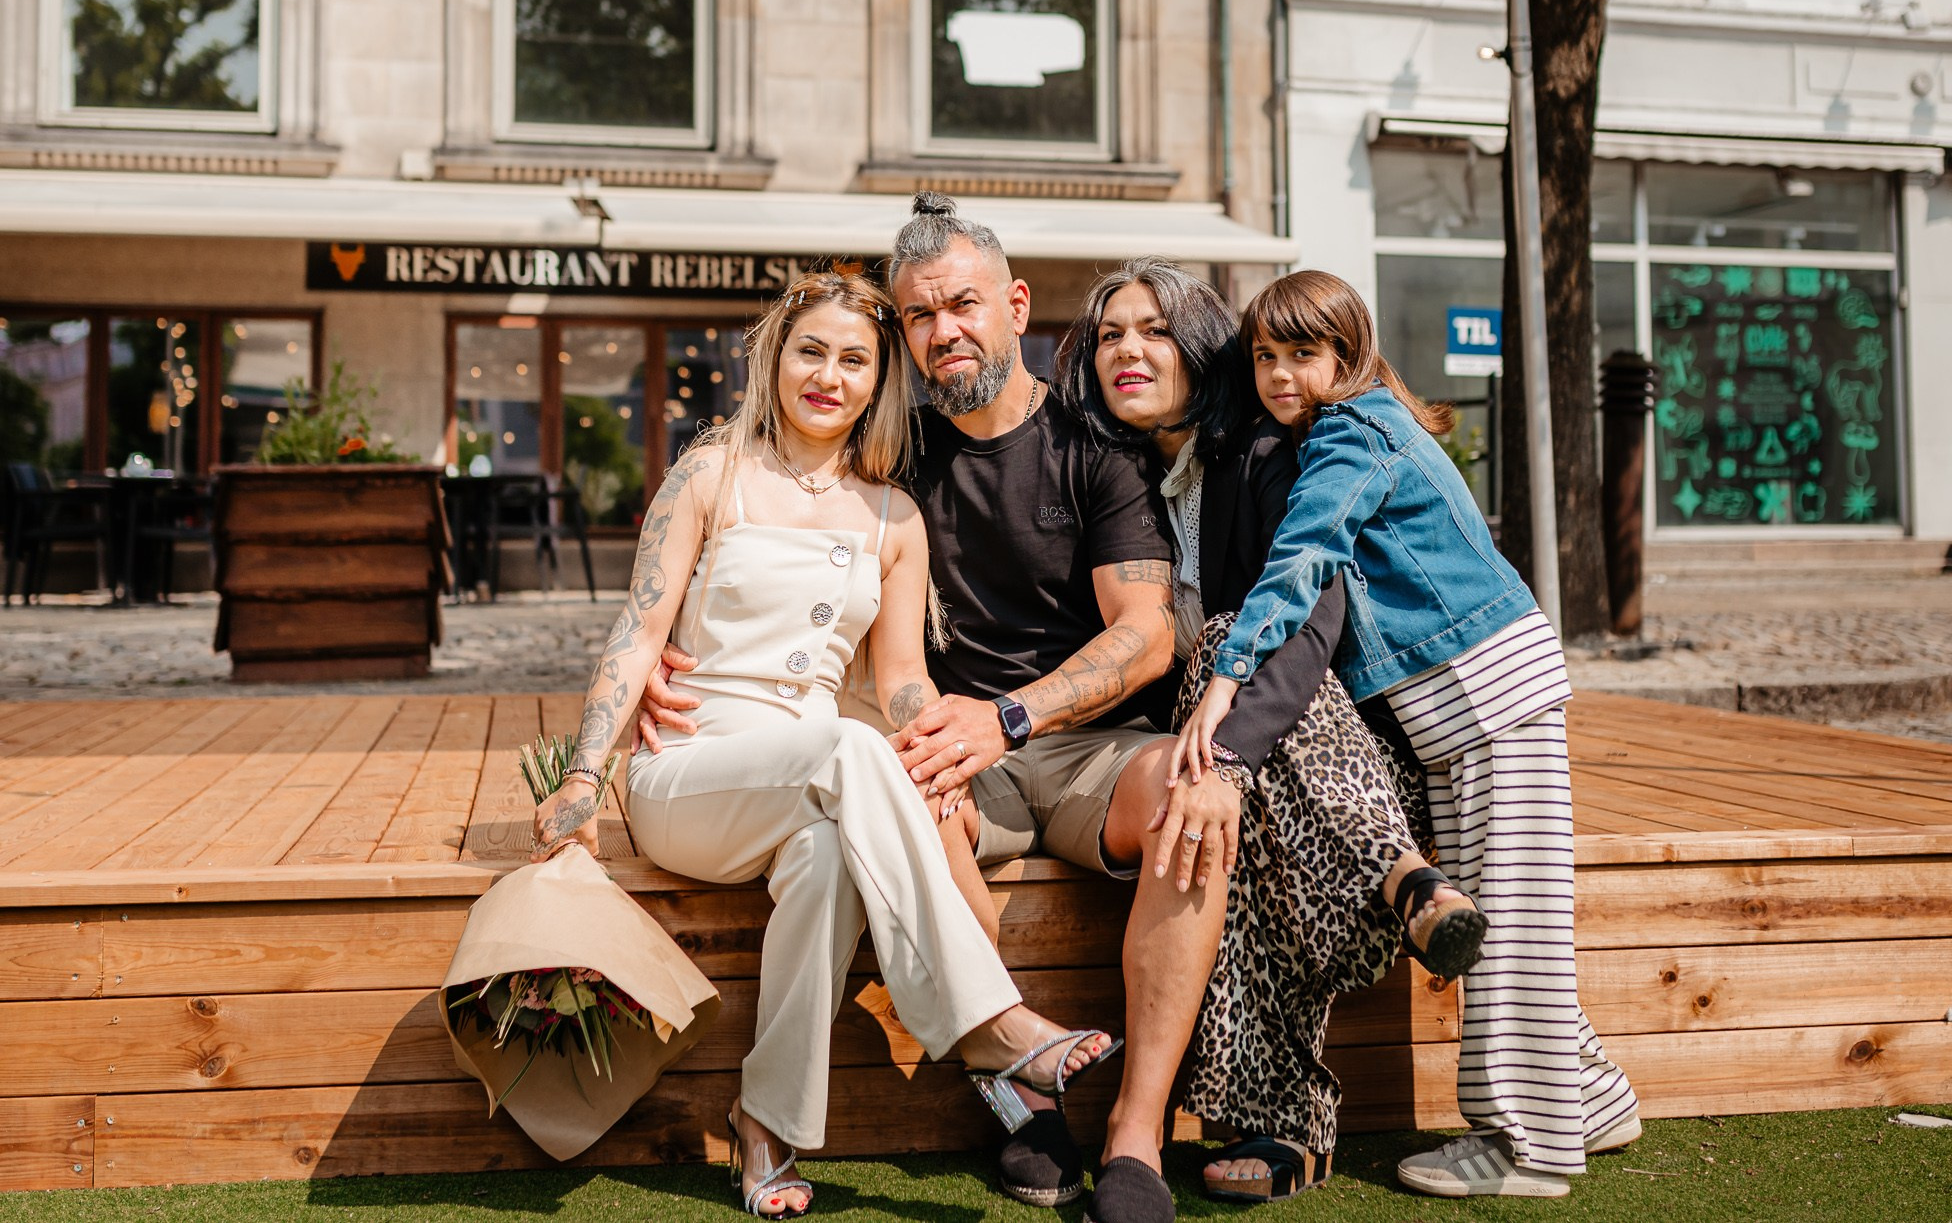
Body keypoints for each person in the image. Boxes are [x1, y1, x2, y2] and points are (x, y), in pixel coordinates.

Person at [640, 196, 1234, 1223]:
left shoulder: (1096, 445)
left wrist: (1008, 717)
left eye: (962, 304)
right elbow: (765, 524)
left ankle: (1135, 1135)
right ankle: (1018, 1093)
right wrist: (665, 637)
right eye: (918, 315)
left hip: (1084, 744)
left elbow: (1146, 633)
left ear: (1015, 306)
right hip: (949, 747)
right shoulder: (889, 449)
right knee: (903, 786)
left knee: (1192, 805)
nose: (942, 330)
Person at [529, 269, 1118, 1220]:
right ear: (776, 357)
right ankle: (991, 1024)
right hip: (691, 773)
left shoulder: (893, 515)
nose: (828, 376)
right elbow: (638, 634)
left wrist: (935, 755)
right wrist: (583, 776)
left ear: (879, 380)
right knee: (849, 748)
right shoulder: (711, 473)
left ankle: (765, 1125)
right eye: (811, 351)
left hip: (815, 777)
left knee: (828, 858)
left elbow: (901, 680)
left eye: (854, 360)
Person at [1174, 270, 1642, 1200]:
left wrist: (1225, 676)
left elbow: (1304, 558)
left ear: (1348, 354)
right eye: (1264, 356)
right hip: (1468, 709)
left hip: (1487, 696)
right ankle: (1592, 1099)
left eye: (1303, 353)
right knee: (1513, 911)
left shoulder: (1351, 432)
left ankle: (1529, 1147)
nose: (1280, 375)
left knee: (1514, 928)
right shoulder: (1361, 425)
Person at [1057, 257, 1486, 1204]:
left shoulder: (1267, 447)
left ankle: (1288, 1111)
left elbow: (1311, 621)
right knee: (1216, 818)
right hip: (1228, 754)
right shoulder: (1114, 472)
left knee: (1226, 738)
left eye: (1154, 330)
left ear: (1200, 344)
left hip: (1340, 753)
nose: (1128, 350)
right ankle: (1405, 884)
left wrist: (1229, 754)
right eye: (1110, 335)